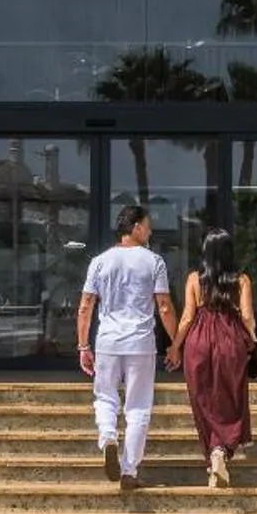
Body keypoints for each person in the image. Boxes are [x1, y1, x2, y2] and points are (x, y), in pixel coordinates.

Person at [77, 201, 177, 492]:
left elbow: (86, 306)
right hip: (140, 342)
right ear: (135, 228)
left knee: (105, 397)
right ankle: (129, 470)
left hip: (107, 341)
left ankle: (108, 436)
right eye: (147, 226)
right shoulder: (154, 261)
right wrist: (175, 343)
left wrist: (83, 345)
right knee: (138, 406)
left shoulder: (99, 261)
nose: (150, 231)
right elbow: (165, 307)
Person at [170, 228, 257, 488]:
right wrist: (253, 340)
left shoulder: (195, 280)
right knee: (231, 397)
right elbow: (247, 316)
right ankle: (221, 451)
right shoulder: (241, 280)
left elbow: (187, 317)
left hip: (198, 341)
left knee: (203, 400)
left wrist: (175, 346)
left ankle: (213, 455)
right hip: (230, 341)